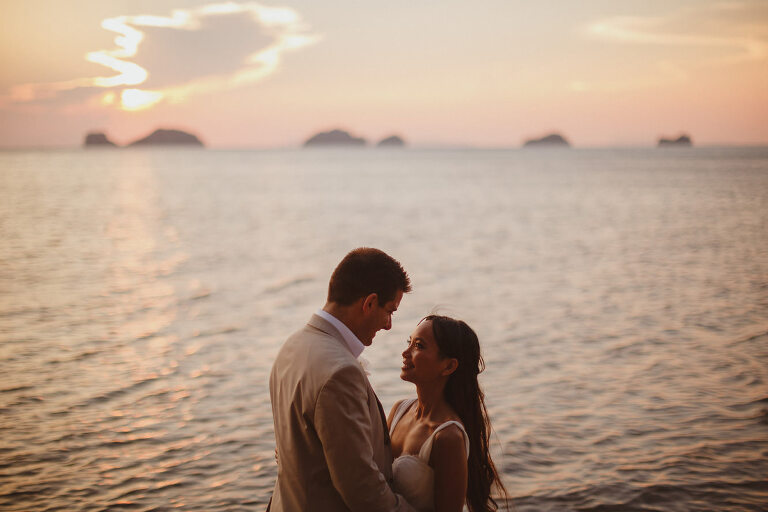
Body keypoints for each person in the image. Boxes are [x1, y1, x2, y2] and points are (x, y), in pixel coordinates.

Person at [269, 247, 416, 512]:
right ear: (369, 303)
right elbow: (361, 487)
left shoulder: (291, 347)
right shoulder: (340, 372)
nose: (388, 325)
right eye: (389, 311)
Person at [388, 315, 509, 512]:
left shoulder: (448, 437)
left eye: (418, 346)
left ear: (449, 366)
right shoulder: (399, 410)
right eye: (409, 342)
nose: (405, 352)